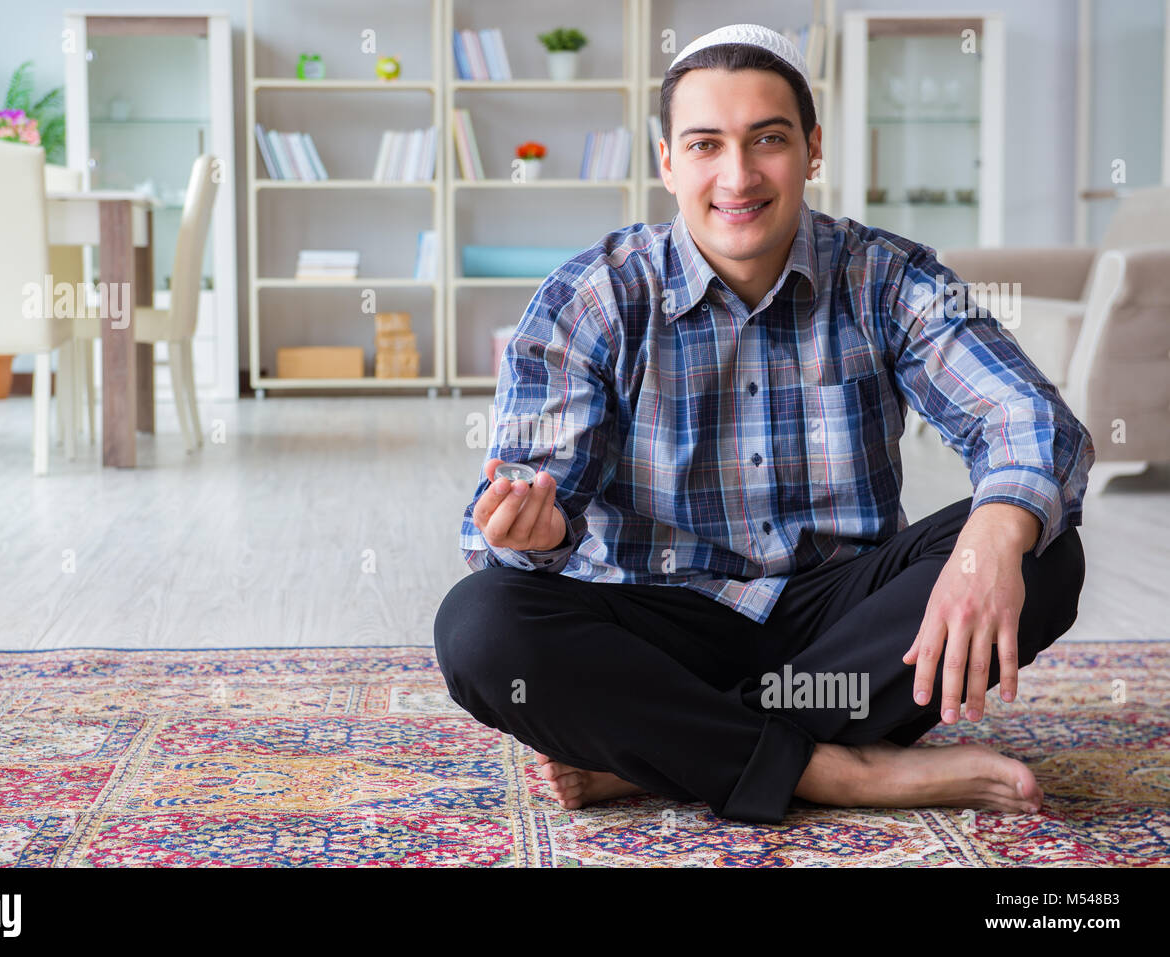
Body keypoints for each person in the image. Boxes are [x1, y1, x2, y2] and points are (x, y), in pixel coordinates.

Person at [433, 23, 1093, 824]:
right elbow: (523, 511)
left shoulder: (888, 276)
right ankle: (836, 770)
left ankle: (667, 748)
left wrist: (997, 526)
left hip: (841, 618)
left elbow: (1027, 415)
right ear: (667, 162)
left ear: (813, 150)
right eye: (705, 145)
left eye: (768, 140)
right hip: (660, 616)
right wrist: (531, 533)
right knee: (480, 628)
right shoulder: (593, 296)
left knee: (1044, 545)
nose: (737, 176)